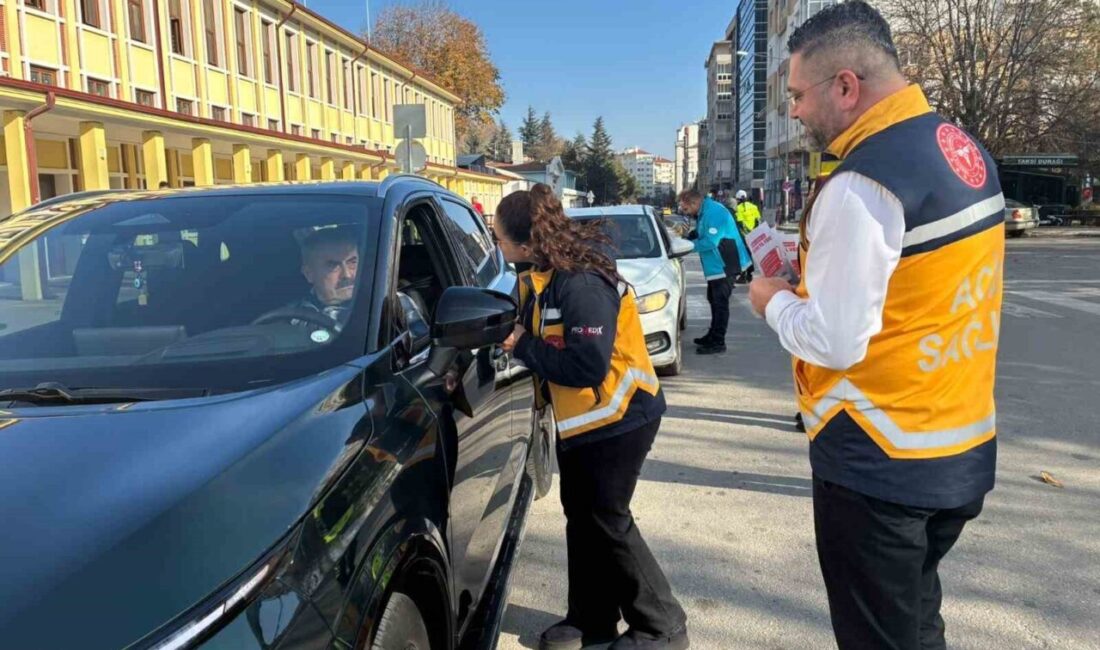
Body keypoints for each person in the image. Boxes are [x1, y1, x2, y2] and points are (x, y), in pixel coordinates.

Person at [747, 3, 1004, 649]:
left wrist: (769, 300)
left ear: (845, 86)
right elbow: (920, 285)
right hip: (958, 441)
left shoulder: (861, 182)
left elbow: (834, 339)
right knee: (916, 623)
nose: (797, 111)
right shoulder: (958, 146)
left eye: (800, 94)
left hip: (879, 456)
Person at [497, 184, 688, 650]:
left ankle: (663, 627)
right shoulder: (538, 273)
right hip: (582, 423)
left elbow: (586, 366)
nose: (497, 247)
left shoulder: (580, 282)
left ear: (525, 242)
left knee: (607, 519)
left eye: (499, 238)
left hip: (620, 418)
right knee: (581, 518)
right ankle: (591, 619)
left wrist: (521, 344)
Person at [677, 189, 750, 355]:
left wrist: (686, 247)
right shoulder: (704, 212)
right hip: (716, 265)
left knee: (720, 303)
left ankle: (718, 341)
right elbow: (702, 233)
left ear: (694, 203)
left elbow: (710, 241)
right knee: (713, 299)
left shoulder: (714, 212)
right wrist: (691, 237)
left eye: (686, 209)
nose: (685, 212)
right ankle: (712, 334)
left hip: (725, 263)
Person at [288, 227, 360, 331]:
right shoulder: (290, 316)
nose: (347, 275)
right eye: (333, 265)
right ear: (309, 274)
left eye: (352, 262)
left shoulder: (376, 313)